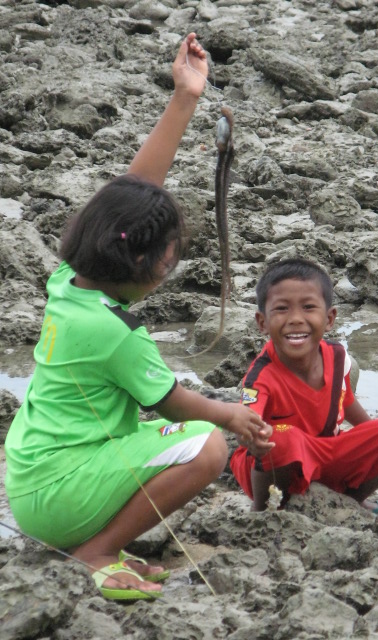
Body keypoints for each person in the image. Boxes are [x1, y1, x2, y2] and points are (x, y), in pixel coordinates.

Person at [4, 33, 273, 601]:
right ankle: (96, 551)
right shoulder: (115, 332)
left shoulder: (67, 285)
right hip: (57, 495)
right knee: (205, 446)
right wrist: (230, 414)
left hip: (34, 480)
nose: (177, 258)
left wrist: (185, 97)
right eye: (172, 250)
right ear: (144, 262)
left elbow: (135, 190)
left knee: (161, 434)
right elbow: (171, 400)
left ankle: (96, 537)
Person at [230, 258, 378, 512]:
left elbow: (346, 400)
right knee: (283, 439)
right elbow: (247, 420)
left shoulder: (337, 357)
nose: (296, 319)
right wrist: (250, 438)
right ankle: (263, 512)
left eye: (308, 307)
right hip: (275, 466)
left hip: (323, 452)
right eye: (282, 309)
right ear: (262, 322)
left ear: (329, 318)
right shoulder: (261, 375)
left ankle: (349, 501)